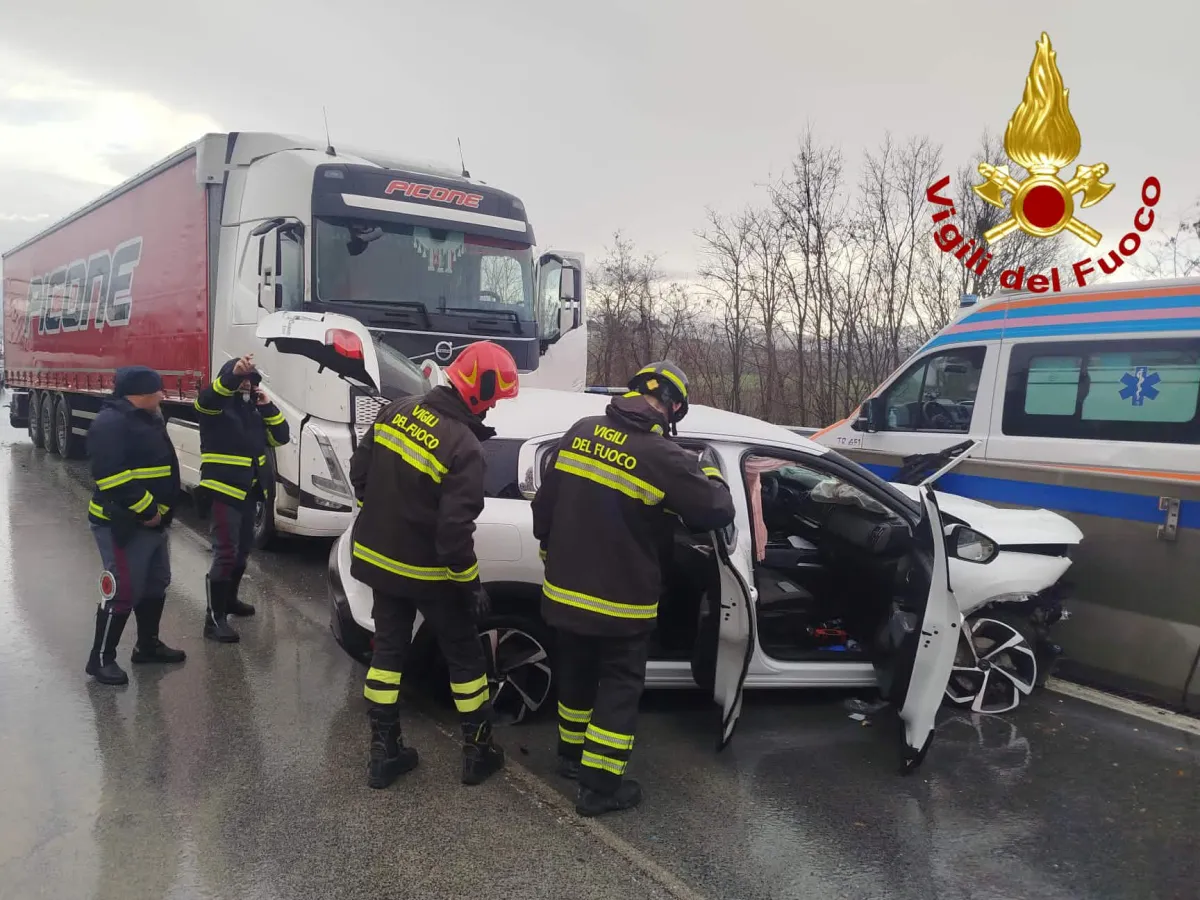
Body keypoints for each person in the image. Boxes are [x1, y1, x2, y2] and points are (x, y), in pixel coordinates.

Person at [531, 360, 735, 817]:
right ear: (674, 406)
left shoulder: (581, 430)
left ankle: (570, 757)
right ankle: (599, 787)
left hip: (564, 591)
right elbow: (716, 511)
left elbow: (545, 504)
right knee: (619, 687)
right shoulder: (663, 456)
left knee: (577, 674)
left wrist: (549, 551)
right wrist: (713, 473)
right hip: (620, 602)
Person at [349, 340, 520, 789]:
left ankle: (384, 753)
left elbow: (359, 473)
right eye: (495, 399)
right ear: (481, 390)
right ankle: (478, 753)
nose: (493, 408)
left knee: (388, 652)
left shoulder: (396, 410)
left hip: (378, 561)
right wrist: (470, 586)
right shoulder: (465, 447)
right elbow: (453, 534)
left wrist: (384, 517)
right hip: (431, 575)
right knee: (464, 657)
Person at [85, 365, 185, 685]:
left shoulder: (146, 417)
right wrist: (147, 510)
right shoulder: (111, 423)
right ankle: (101, 659)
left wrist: (160, 512)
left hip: (152, 522)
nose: (161, 395)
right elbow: (111, 477)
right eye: (156, 390)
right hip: (123, 523)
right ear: (139, 394)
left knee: (156, 582)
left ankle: (147, 646)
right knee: (123, 588)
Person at [194, 354, 290, 643]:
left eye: (250, 380)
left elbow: (281, 436)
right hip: (223, 491)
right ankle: (214, 620)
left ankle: (230, 601)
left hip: (249, 493)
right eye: (242, 380)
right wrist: (233, 375)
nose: (247, 384)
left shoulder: (252, 411)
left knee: (242, 552)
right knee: (225, 554)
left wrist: (267, 406)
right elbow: (210, 397)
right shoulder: (214, 407)